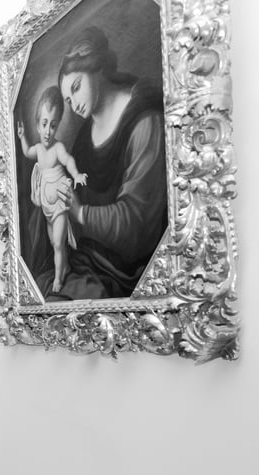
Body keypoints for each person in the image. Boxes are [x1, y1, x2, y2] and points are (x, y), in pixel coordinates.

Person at [46, 25, 168, 300]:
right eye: (67, 99)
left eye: (76, 88)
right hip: (88, 261)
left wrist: (79, 214)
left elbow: (137, 223)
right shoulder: (82, 140)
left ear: (96, 67)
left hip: (130, 274)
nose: (73, 104)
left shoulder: (144, 122)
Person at [18, 86, 87, 294]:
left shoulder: (58, 148)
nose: (48, 131)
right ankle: (64, 266)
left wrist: (75, 175)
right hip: (46, 208)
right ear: (38, 125)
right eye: (44, 124)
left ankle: (58, 278)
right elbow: (27, 152)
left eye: (53, 126)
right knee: (54, 243)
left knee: (58, 243)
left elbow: (69, 160)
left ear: (57, 127)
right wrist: (22, 137)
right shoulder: (39, 150)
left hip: (58, 206)